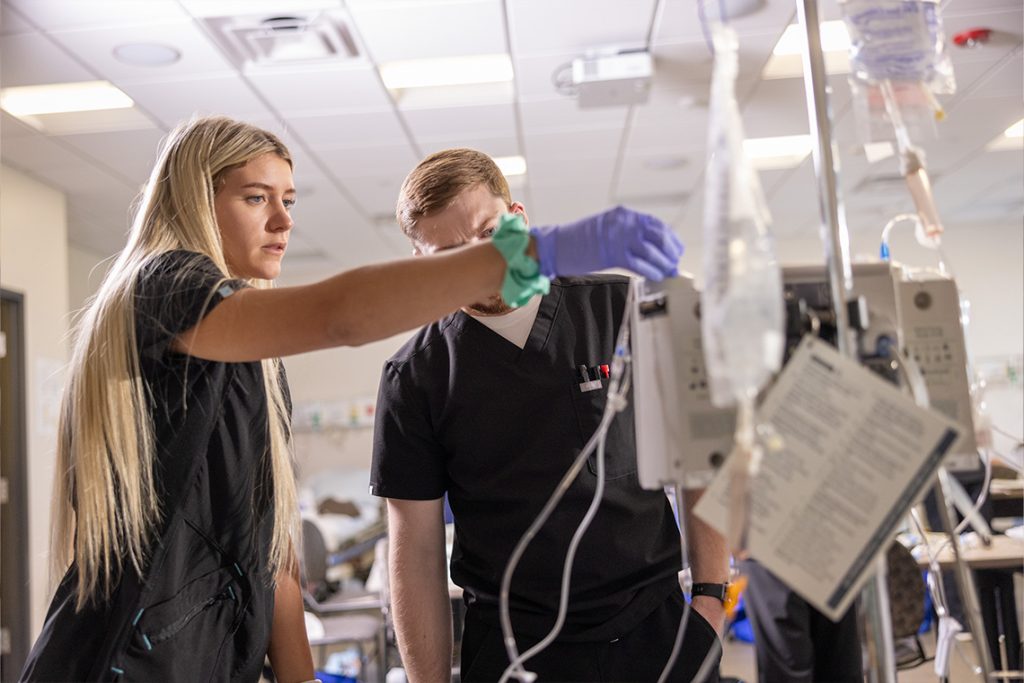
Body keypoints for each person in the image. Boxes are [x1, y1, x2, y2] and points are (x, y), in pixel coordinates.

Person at [19, 118, 682, 683]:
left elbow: (273, 549)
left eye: (289, 198)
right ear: (197, 199)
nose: (284, 220)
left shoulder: (257, 355)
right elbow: (340, 317)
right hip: (126, 659)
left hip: (212, 658)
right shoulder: (163, 289)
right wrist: (538, 251)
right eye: (256, 198)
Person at [370, 148, 731, 682]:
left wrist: (711, 601)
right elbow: (416, 552)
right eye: (450, 253)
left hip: (656, 632)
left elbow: (702, 460)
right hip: (515, 649)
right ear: (424, 264)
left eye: (490, 233)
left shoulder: (625, 310)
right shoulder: (416, 377)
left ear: (518, 219)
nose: (481, 261)